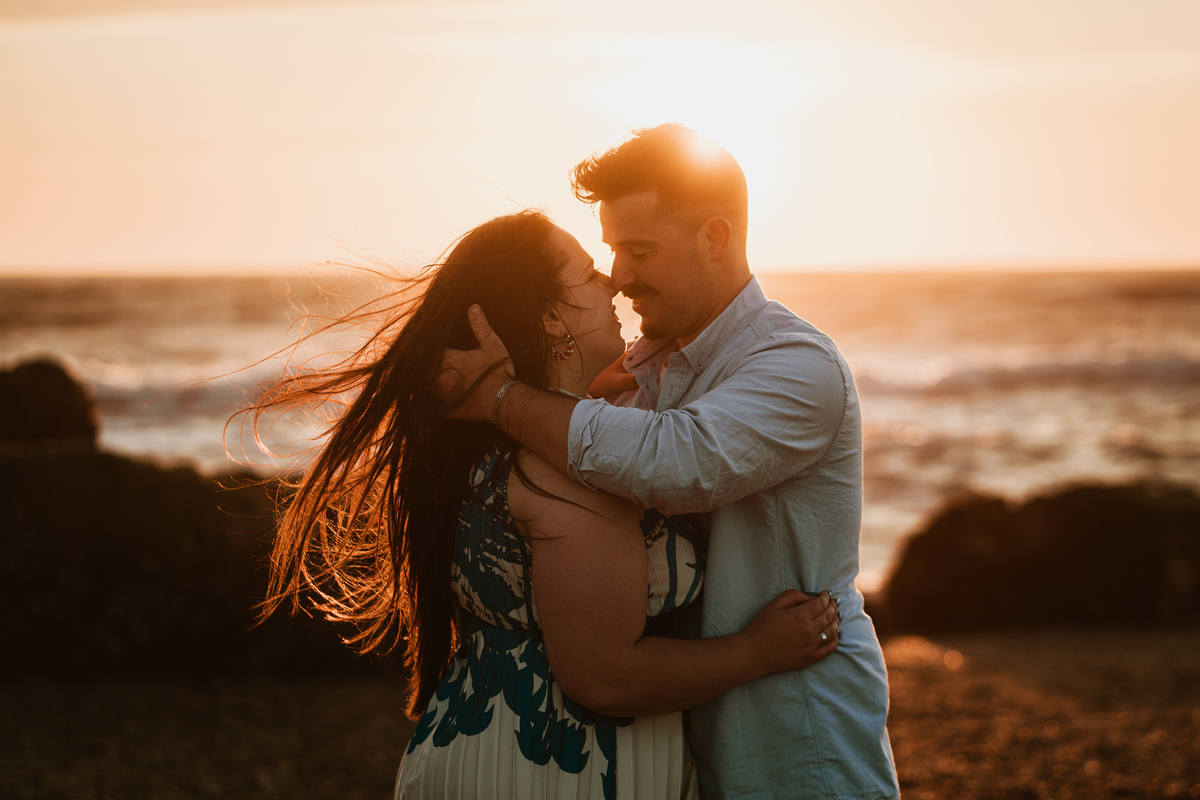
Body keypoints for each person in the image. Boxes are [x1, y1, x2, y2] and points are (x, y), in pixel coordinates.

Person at [248, 210, 841, 800]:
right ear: (553, 319)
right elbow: (604, 676)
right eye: (588, 272)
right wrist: (757, 650)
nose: (612, 281)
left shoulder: (487, 442)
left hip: (469, 749)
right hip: (565, 771)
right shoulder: (575, 470)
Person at [437, 126, 900, 800]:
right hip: (678, 741)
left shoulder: (797, 366)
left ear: (715, 237)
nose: (620, 278)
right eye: (610, 252)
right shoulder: (643, 368)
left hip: (795, 736)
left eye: (638, 251)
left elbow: (671, 465)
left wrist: (501, 397)